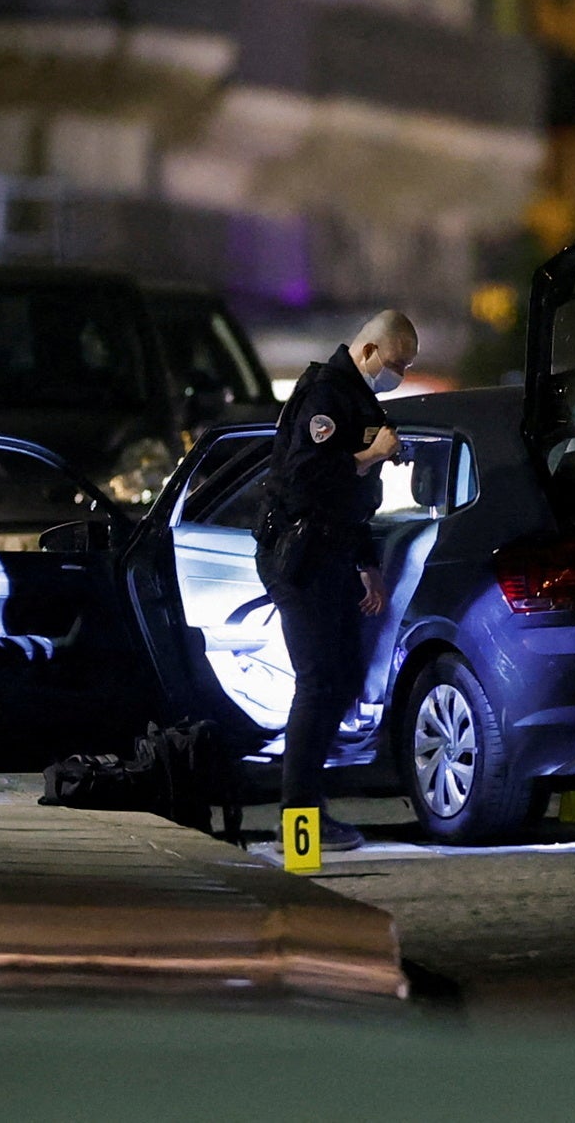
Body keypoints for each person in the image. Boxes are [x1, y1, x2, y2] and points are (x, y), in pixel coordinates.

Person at [255, 310, 418, 852]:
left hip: (333, 552)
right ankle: (299, 818)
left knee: (343, 677)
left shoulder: (358, 398)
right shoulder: (326, 395)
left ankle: (311, 806)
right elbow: (305, 478)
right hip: (298, 555)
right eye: (395, 364)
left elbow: (351, 503)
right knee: (319, 681)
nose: (396, 375)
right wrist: (369, 456)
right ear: (369, 351)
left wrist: (367, 563)